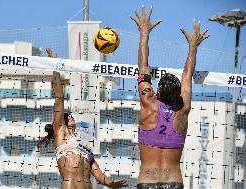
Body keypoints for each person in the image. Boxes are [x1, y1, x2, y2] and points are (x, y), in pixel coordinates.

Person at [130, 5, 209, 189]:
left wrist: (144, 33)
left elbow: (143, 66)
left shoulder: (148, 102)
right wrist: (193, 46)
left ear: (156, 91)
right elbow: (187, 74)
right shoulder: (183, 108)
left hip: (147, 181)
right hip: (173, 182)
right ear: (178, 93)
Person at [37, 48, 128, 189]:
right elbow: (59, 98)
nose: (71, 116)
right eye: (68, 116)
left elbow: (99, 175)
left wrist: (112, 183)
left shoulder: (85, 146)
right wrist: (55, 66)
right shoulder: (61, 131)